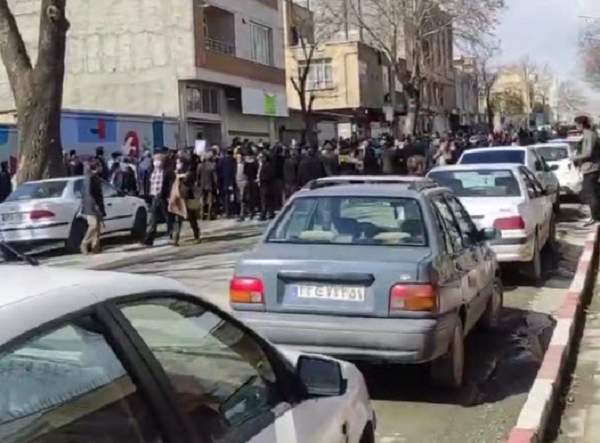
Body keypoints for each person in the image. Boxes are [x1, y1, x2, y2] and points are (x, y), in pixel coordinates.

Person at [573, 115, 600, 226]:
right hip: (588, 168)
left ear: (581, 124)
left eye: (576, 124)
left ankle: (596, 217)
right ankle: (595, 216)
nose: (575, 127)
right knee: (591, 192)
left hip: (591, 168)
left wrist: (574, 157)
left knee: (590, 193)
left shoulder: (590, 135)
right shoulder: (587, 134)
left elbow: (588, 152)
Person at [145, 154, 175, 246]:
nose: (156, 162)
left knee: (168, 217)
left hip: (164, 197)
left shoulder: (168, 172)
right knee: (153, 218)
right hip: (154, 197)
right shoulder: (151, 172)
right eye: (155, 160)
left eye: (159, 160)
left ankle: (172, 234)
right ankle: (149, 238)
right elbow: (148, 184)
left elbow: (171, 185)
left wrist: (170, 196)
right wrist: (148, 196)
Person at [169, 156, 200, 246]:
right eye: (177, 163)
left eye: (179, 163)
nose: (178, 165)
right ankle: (175, 239)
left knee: (192, 219)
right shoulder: (175, 173)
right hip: (179, 199)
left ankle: (196, 235)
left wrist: (180, 177)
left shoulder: (189, 173)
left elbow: (189, 183)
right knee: (178, 219)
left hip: (187, 198)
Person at [80, 162, 105, 255]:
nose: (101, 168)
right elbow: (88, 193)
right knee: (93, 225)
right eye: (100, 166)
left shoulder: (96, 177)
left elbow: (99, 194)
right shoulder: (89, 178)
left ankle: (95, 248)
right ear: (96, 167)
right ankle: (84, 243)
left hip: (97, 205)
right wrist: (94, 205)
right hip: (91, 207)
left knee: (97, 228)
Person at [197, 154, 218, 220]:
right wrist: (216, 186)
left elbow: (198, 176)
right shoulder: (212, 166)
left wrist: (198, 183)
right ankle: (209, 215)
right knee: (210, 200)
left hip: (202, 185)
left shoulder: (200, 166)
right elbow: (215, 178)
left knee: (202, 200)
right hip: (210, 185)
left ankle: (202, 214)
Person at [217, 148, 237, 218]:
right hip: (232, 181)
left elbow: (218, 170)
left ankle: (226, 211)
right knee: (233, 197)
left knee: (225, 197)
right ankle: (233, 211)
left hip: (223, 182)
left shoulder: (221, 160)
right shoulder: (233, 160)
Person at [257, 151, 274, 220]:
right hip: (263, 185)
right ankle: (270, 213)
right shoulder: (261, 165)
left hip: (266, 185)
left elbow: (269, 176)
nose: (260, 158)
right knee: (266, 200)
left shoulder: (267, 165)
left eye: (261, 157)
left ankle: (264, 214)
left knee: (265, 200)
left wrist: (260, 179)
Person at [235, 152, 248, 221]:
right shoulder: (235, 166)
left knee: (242, 199)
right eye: (237, 158)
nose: (238, 159)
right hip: (237, 183)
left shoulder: (244, 166)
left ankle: (242, 214)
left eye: (239, 158)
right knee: (238, 199)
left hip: (243, 183)